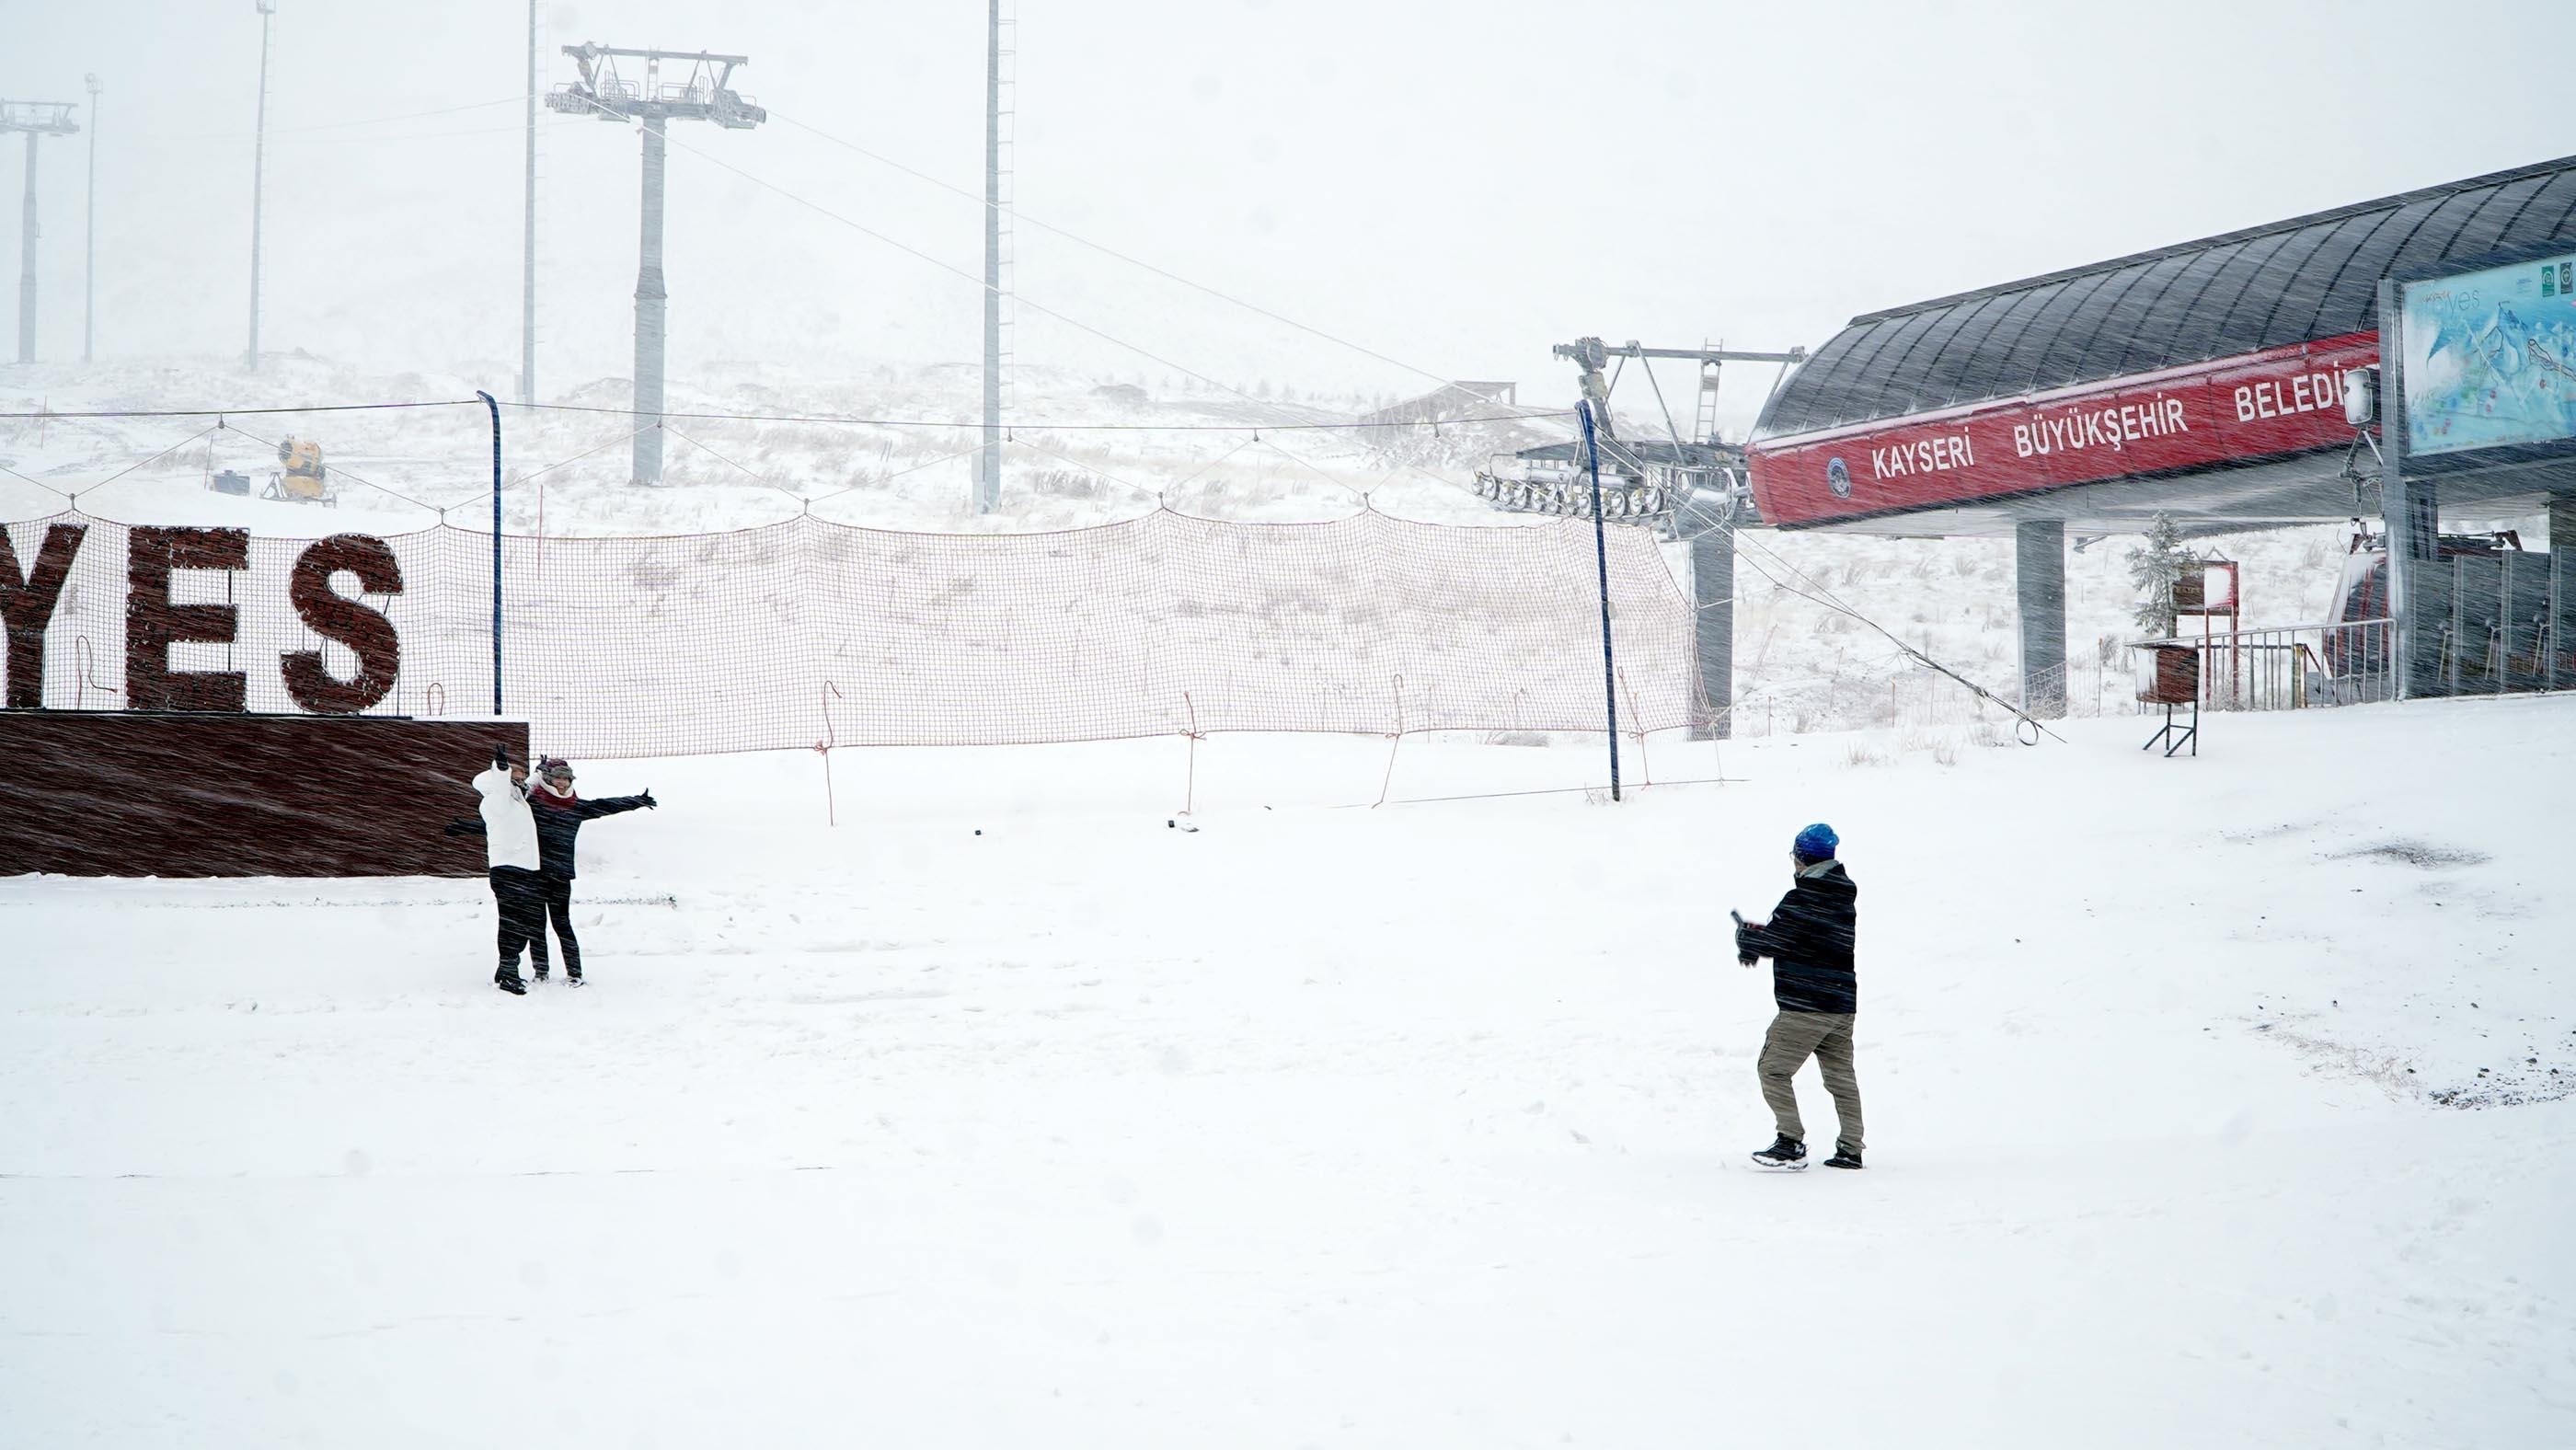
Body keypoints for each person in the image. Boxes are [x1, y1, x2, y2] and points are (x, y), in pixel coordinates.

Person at [1733, 823, 1863, 1170]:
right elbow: (1801, 939)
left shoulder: (1803, 898)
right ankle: (1851, 1148)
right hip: (1841, 1004)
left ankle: (1790, 1141)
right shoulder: (1840, 895)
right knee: (1840, 1078)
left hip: (1806, 1006)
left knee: (1772, 1070)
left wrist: (1747, 939)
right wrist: (1761, 937)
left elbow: (1779, 941)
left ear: (1801, 858)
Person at [523, 755, 655, 986]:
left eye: (566, 779)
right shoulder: (531, 805)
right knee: (535, 925)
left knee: (562, 924)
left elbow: (605, 805)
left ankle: (575, 973)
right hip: (534, 873)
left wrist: (637, 801)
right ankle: (541, 972)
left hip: (561, 875)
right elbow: (503, 814)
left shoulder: (575, 807)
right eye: (557, 778)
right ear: (547, 779)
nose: (563, 783)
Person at [470, 745, 546, 996]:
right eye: (514, 775)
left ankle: (505, 969)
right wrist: (500, 767)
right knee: (513, 924)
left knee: (521, 923)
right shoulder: (495, 801)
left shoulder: (515, 798)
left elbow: (524, 786)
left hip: (524, 868)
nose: (519, 779)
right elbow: (503, 784)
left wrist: (539, 772)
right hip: (509, 870)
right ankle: (509, 973)